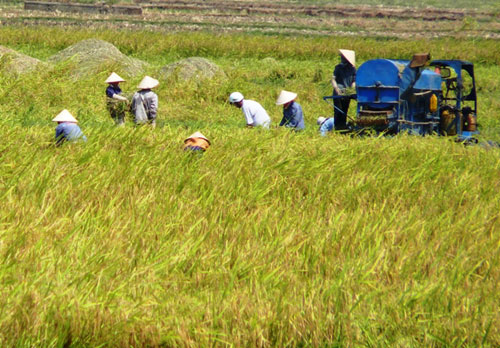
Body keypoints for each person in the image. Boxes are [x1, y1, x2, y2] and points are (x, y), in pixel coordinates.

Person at [331, 49, 356, 130]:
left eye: (343, 57)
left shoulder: (352, 69)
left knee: (344, 110)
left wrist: (351, 89)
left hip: (347, 92)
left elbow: (354, 81)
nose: (341, 58)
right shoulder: (338, 68)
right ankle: (337, 127)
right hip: (338, 92)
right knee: (338, 110)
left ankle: (343, 127)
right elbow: (333, 79)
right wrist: (336, 88)